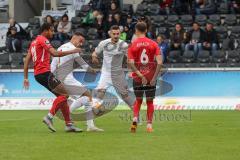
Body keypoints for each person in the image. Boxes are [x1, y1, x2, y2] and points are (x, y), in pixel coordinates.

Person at [23, 23, 82, 132]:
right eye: (52, 30)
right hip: (45, 73)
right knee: (65, 95)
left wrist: (26, 78)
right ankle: (49, 117)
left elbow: (26, 61)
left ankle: (69, 125)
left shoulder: (33, 43)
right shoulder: (43, 40)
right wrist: (73, 51)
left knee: (62, 98)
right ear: (46, 30)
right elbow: (54, 53)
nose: (53, 32)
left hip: (38, 75)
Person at [51, 32, 104, 132]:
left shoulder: (61, 47)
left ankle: (90, 125)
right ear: (74, 38)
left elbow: (53, 64)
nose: (80, 44)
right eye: (80, 41)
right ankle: (68, 112)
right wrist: (93, 71)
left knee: (86, 99)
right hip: (66, 78)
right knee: (88, 95)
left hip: (58, 78)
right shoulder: (72, 49)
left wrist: (54, 77)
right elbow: (83, 65)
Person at [91, 25, 135, 114]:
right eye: (114, 34)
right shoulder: (103, 43)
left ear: (120, 34)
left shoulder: (124, 45)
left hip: (118, 74)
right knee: (100, 92)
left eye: (117, 34)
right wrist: (94, 57)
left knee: (125, 96)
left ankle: (136, 115)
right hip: (106, 73)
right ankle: (96, 109)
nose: (116, 36)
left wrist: (130, 71)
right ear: (110, 34)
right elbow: (95, 53)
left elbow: (129, 59)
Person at [128, 22, 163, 133]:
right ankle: (149, 126)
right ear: (146, 30)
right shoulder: (153, 44)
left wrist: (139, 74)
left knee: (138, 101)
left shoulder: (133, 44)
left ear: (136, 31)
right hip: (150, 76)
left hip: (138, 77)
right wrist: (153, 78)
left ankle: (134, 120)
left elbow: (131, 63)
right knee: (149, 102)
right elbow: (160, 62)